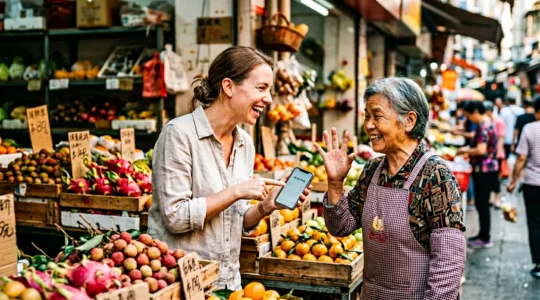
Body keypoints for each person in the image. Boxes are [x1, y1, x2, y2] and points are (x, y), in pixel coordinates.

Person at [147, 46, 311, 289]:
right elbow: (175, 217)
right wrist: (238, 191)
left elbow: (235, 219)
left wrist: (266, 206)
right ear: (229, 86)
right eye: (261, 88)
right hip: (181, 282)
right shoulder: (179, 134)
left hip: (227, 282)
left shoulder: (245, 143)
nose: (268, 99)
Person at [317, 77, 466, 299]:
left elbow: (448, 262)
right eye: (367, 116)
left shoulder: (435, 175)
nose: (368, 125)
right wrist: (335, 183)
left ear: (409, 121)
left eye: (377, 116)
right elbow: (341, 227)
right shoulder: (373, 170)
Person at [458, 101, 499, 249]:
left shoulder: (484, 126)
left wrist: (464, 151)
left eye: (469, 115)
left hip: (484, 170)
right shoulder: (487, 124)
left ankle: (485, 237)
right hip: (486, 169)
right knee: (482, 204)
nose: (469, 119)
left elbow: (481, 150)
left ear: (475, 112)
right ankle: (482, 234)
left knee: (482, 204)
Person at [507, 97, 540, 279]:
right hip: (532, 182)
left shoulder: (530, 129)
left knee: (535, 223)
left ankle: (538, 263)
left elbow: (521, 158)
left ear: (537, 111)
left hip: (533, 183)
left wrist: (513, 181)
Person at [484, 101, 505, 208]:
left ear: (490, 111)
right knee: (489, 176)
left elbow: (501, 138)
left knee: (495, 177)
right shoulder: (486, 122)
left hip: (497, 154)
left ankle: (497, 197)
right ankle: (491, 197)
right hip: (488, 153)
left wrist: (496, 152)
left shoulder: (499, 122)